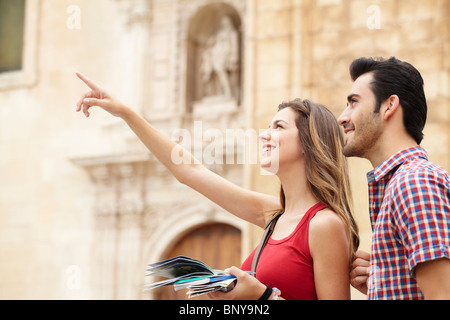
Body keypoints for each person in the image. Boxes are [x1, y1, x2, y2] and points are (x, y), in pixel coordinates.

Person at [75, 72, 359, 300]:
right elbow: (188, 171)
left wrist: (263, 296)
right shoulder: (274, 215)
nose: (265, 135)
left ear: (310, 144)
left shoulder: (324, 225)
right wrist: (127, 114)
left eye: (279, 127)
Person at [338, 57, 450, 300]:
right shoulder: (403, 183)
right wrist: (384, 283)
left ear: (389, 106)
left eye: (353, 103)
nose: (342, 117)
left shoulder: (413, 183)